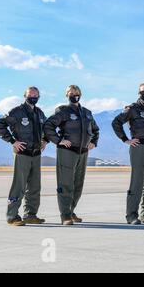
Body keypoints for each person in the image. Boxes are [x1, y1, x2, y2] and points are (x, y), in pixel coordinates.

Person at [44, 85, 99, 226]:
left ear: (80, 94)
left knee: (78, 185)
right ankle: (65, 216)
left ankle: (71, 211)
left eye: (76, 93)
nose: (74, 95)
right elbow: (48, 125)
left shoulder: (87, 112)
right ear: (67, 95)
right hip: (67, 151)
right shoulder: (63, 111)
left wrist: (94, 141)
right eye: (71, 93)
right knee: (66, 184)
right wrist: (59, 140)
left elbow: (95, 129)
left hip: (83, 152)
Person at [0, 86, 48, 226]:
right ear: (25, 96)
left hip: (36, 154)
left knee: (35, 186)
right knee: (19, 186)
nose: (34, 97)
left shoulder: (40, 113)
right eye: (31, 94)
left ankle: (30, 215)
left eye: (36, 95)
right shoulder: (16, 112)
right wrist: (13, 141)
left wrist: (45, 140)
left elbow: (48, 128)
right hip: (22, 154)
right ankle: (12, 216)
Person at [112, 83, 144, 225]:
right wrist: (125, 140)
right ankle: (131, 215)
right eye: (143, 91)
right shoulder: (132, 109)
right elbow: (116, 122)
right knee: (137, 181)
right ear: (138, 93)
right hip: (139, 146)